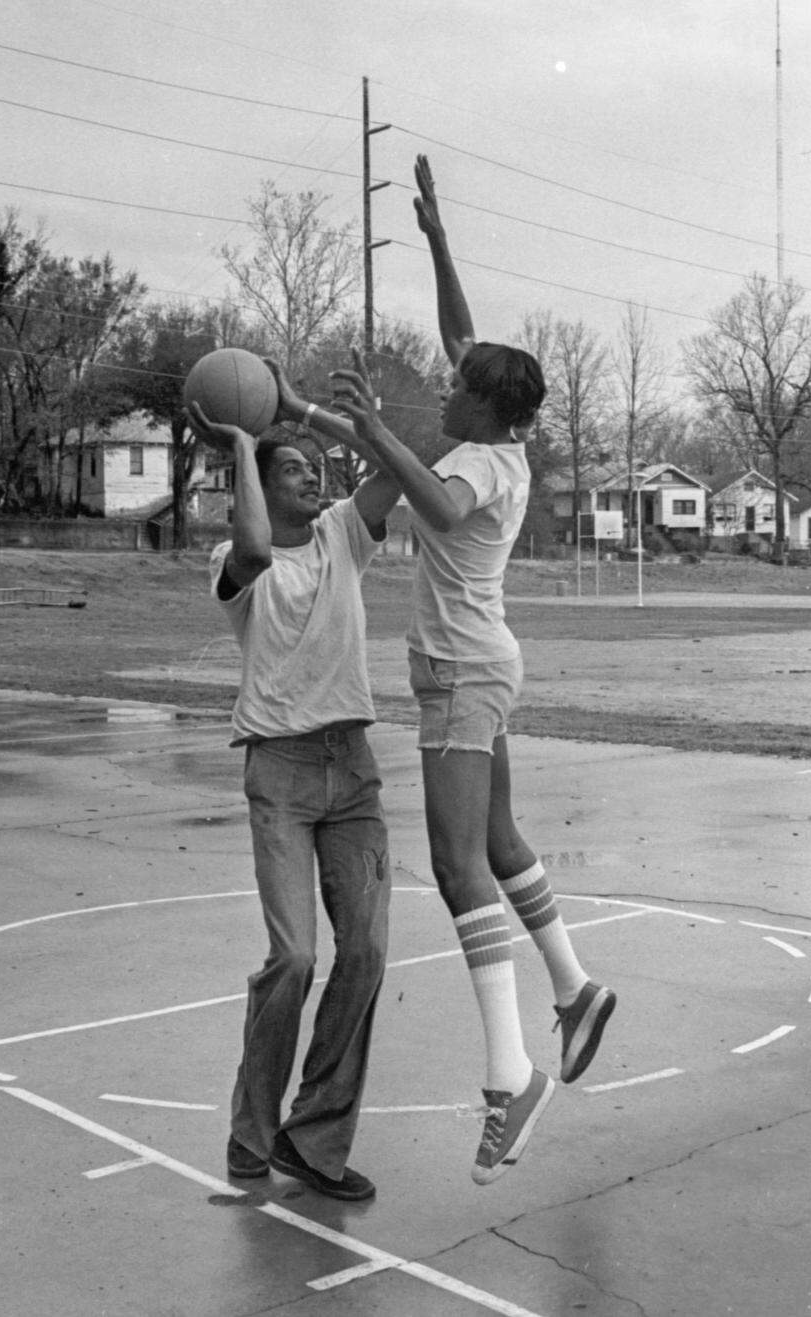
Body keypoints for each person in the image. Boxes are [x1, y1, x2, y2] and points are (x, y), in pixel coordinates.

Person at [327, 156, 616, 1186]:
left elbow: (435, 508)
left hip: (460, 675)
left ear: (490, 412)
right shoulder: (498, 431)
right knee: (495, 841)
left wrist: (369, 431)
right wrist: (440, 237)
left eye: (457, 388)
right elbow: (464, 336)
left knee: (458, 867)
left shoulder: (478, 468)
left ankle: (512, 1076)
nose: (446, 387)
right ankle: (576, 990)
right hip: (481, 666)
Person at [189, 382, 401, 1203]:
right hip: (278, 770)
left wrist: (303, 411)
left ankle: (312, 1137)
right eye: (295, 472)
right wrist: (241, 440)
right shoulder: (237, 563)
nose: (314, 479)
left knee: (370, 952)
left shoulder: (346, 533)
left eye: (317, 470)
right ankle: (252, 1126)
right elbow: (247, 541)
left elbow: (393, 467)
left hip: (353, 770)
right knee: (296, 957)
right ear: (260, 482)